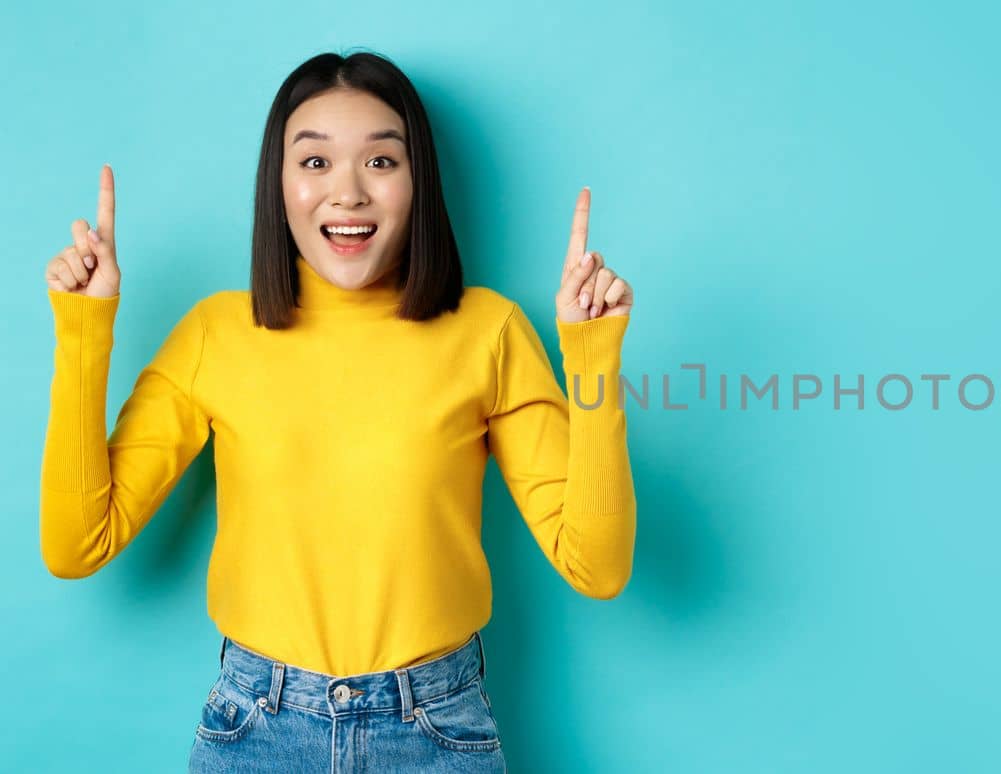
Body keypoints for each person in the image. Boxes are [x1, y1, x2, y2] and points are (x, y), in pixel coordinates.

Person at [39, 50, 637, 772]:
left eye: (381, 162)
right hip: (255, 727)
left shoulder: (489, 333)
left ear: (417, 183)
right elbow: (76, 545)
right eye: (315, 162)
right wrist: (82, 331)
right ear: (279, 184)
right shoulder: (215, 335)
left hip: (436, 730)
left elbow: (597, 566)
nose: (347, 192)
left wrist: (593, 356)